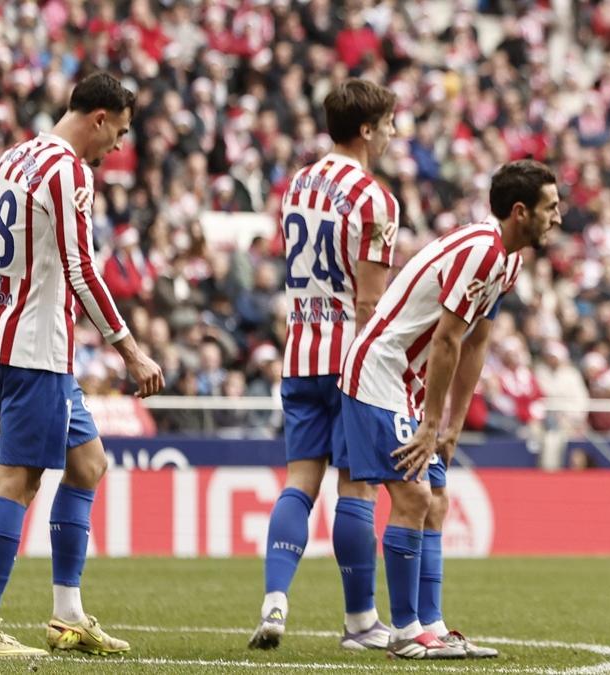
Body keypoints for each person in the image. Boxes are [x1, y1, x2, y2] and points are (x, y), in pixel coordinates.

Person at [0, 72, 164, 658]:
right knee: (19, 480)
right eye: (118, 132)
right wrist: (130, 349)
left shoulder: (12, 157)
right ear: (98, 118)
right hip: (34, 349)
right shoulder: (67, 170)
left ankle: (67, 617)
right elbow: (81, 270)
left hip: (3, 339)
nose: (118, 146)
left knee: (88, 464)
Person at [337, 159, 560, 659]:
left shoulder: (508, 259)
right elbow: (445, 341)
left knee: (436, 499)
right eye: (551, 207)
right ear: (521, 212)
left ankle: (431, 626)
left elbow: (477, 339)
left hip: (410, 383)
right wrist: (431, 422)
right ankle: (404, 630)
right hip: (379, 372)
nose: (559, 217)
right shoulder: (482, 253)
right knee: (413, 496)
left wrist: (453, 425)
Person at [247, 78, 399, 651]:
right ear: (365, 129)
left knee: (299, 484)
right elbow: (368, 301)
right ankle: (361, 623)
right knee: (357, 490)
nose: (392, 134)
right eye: (388, 124)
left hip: (302, 349)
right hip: (350, 357)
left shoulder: (298, 183)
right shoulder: (374, 197)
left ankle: (274, 600)